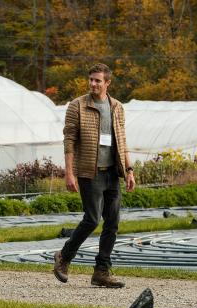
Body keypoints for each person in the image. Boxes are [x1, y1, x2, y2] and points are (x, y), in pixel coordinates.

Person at [53, 63, 135, 288]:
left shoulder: (117, 107)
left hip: (113, 172)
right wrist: (69, 173)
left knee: (113, 222)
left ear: (107, 83)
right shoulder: (77, 106)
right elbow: (69, 141)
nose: (93, 84)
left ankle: (101, 271)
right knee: (91, 219)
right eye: (91, 79)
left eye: (98, 80)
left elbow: (123, 140)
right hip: (90, 171)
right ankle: (64, 257)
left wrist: (129, 170)